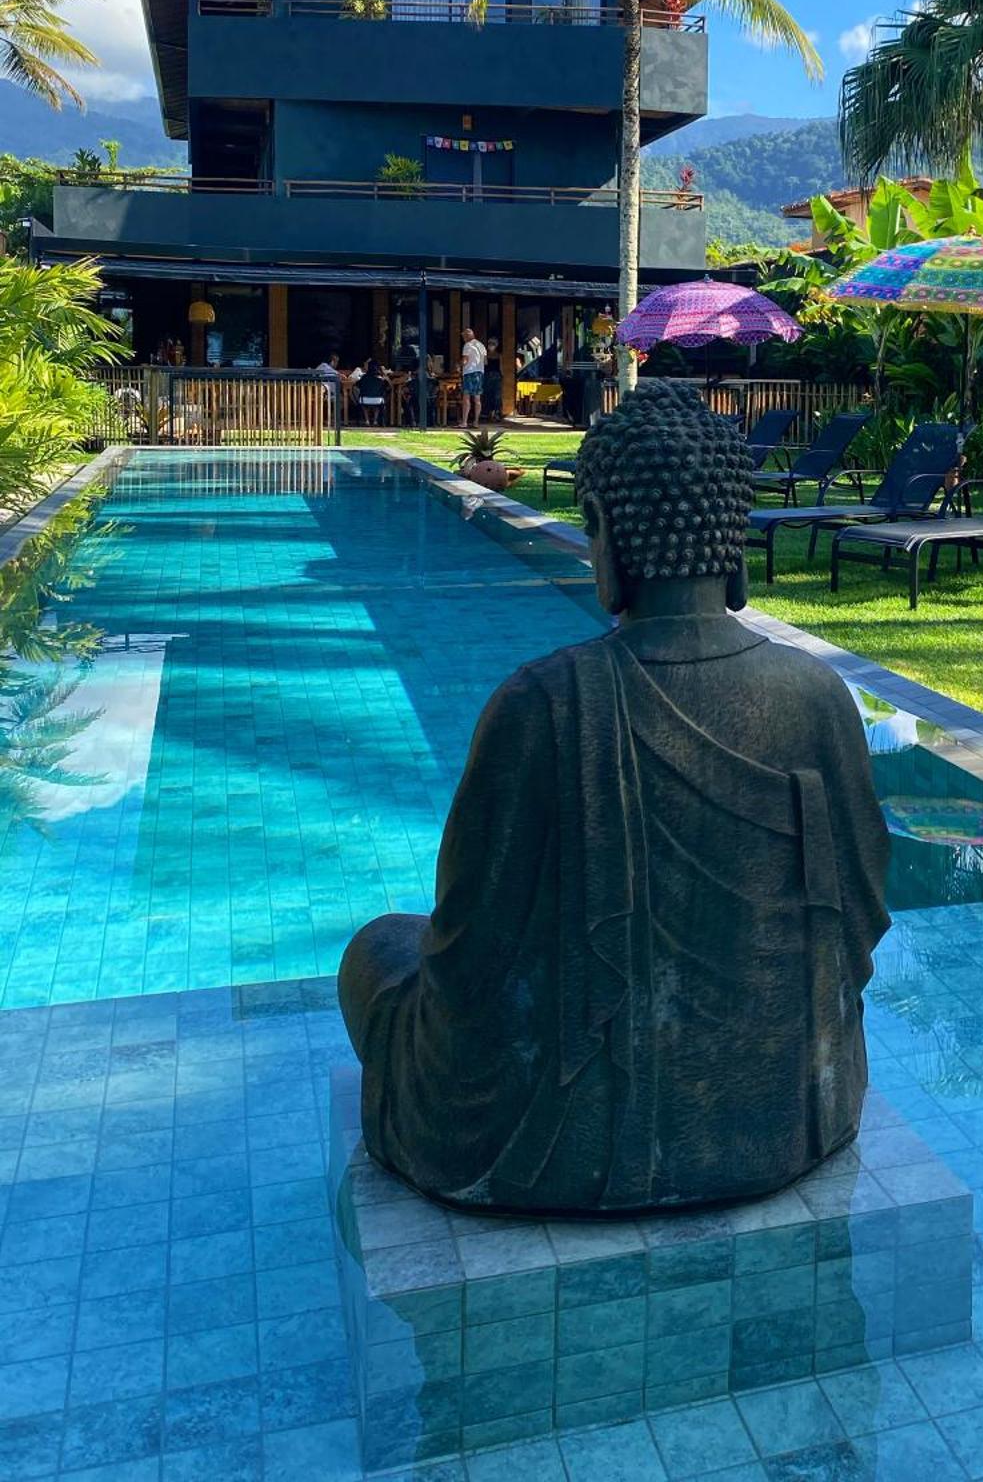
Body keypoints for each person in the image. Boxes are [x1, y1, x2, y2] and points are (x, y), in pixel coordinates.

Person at [337, 382, 891, 1213]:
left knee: (380, 948)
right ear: (727, 541)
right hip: (791, 1111)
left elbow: (467, 954)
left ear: (612, 541)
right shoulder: (815, 696)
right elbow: (861, 913)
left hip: (585, 1137)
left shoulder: (545, 703)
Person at [460, 327, 486, 426]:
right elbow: (485, 361)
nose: (464, 339)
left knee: (466, 397)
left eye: (464, 336)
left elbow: (465, 360)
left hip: (469, 373)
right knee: (477, 398)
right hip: (480, 373)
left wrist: (458, 365)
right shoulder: (481, 345)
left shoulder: (467, 345)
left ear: (467, 336)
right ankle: (476, 422)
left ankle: (464, 422)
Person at [355, 356, 388, 427]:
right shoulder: (381, 379)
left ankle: (367, 420)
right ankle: (375, 421)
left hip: (364, 400)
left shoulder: (364, 377)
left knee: (364, 406)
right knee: (377, 407)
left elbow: (357, 385)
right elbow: (386, 387)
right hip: (378, 400)